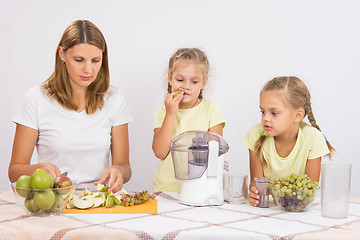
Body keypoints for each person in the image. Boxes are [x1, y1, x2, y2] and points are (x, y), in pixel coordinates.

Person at [8, 20, 132, 193]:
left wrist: (119, 172)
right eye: (79, 60)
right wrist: (37, 169)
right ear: (62, 54)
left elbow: (124, 166)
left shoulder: (114, 99)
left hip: (98, 201)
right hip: (53, 201)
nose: (88, 70)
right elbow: (14, 171)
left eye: (96, 60)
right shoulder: (35, 99)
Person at [243, 76, 335, 206]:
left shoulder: (313, 139)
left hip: (298, 210)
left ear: (298, 115)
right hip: (271, 212)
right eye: (263, 111)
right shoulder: (256, 135)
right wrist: (254, 194)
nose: (266, 118)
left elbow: (309, 192)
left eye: (274, 113)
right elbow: (258, 188)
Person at [152, 48, 225, 193]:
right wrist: (171, 115)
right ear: (170, 77)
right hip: (167, 190)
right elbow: (160, 152)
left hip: (200, 189)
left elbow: (215, 153)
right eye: (180, 80)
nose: (186, 86)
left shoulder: (211, 109)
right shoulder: (163, 112)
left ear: (204, 82)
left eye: (194, 81)